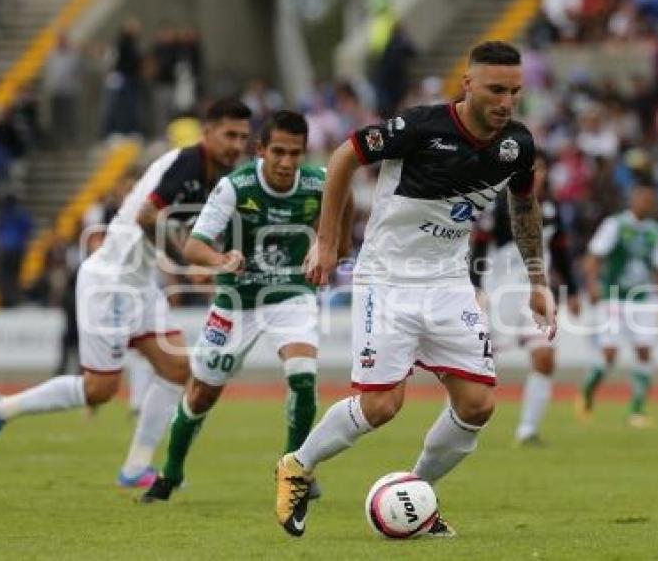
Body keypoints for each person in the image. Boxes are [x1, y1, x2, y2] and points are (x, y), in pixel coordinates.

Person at [274, 41, 557, 538]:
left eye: (514, 91)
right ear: (467, 84)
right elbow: (344, 157)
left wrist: (537, 280)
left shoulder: (517, 144)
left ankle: (414, 496)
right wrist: (325, 241)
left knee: (478, 404)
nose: (506, 102)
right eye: (495, 89)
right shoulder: (422, 127)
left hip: (449, 283)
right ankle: (297, 465)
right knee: (382, 405)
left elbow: (524, 205)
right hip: (387, 278)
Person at [0, 99, 252, 488]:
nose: (237, 145)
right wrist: (187, 264)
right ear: (208, 133)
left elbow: (174, 227)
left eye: (243, 137)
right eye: (230, 135)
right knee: (99, 389)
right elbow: (147, 217)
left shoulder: (210, 175)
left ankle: (135, 468)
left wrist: (200, 261)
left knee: (176, 369)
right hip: (111, 281)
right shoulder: (188, 163)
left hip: (138, 282)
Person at [141, 110, 353, 503]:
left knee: (303, 377)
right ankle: (168, 475)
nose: (287, 162)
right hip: (237, 300)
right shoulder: (234, 187)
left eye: (296, 153)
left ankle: (296, 470)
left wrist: (332, 248)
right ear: (261, 150)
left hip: (292, 293)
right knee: (202, 393)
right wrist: (221, 261)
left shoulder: (317, 182)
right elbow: (193, 246)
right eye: (279, 152)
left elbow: (345, 195)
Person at [471, 150, 579, 446]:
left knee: (544, 358)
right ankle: (460, 421)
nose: (536, 174)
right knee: (476, 364)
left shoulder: (553, 209)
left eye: (541, 169)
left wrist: (574, 290)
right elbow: (478, 248)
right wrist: (475, 288)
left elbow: (560, 252)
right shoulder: (498, 206)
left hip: (533, 292)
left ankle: (528, 430)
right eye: (531, 169)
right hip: (499, 292)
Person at [576, 181, 658, 428]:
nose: (645, 202)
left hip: (642, 299)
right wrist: (591, 284)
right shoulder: (616, 225)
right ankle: (587, 393)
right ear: (633, 199)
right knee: (610, 354)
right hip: (613, 297)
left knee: (644, 351)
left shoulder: (655, 231)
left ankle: (637, 409)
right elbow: (594, 257)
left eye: (650, 199)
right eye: (641, 197)